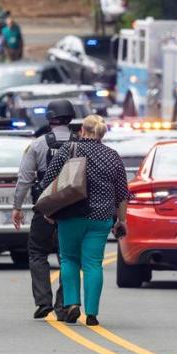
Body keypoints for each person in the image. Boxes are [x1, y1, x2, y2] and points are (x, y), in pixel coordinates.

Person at [39, 114, 129, 326]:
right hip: (100, 219)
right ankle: (92, 314)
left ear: (82, 131)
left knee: (69, 259)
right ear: (101, 134)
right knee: (93, 264)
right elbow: (122, 193)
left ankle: (71, 305)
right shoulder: (113, 156)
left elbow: (48, 180)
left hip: (70, 214)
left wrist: (50, 210)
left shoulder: (68, 151)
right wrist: (121, 220)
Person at [11, 99, 76, 319]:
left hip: (44, 208)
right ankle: (64, 305)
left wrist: (17, 207)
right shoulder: (81, 143)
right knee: (68, 257)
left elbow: (24, 179)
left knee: (37, 252)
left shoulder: (38, 144)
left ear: (49, 119)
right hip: (73, 210)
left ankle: (43, 302)